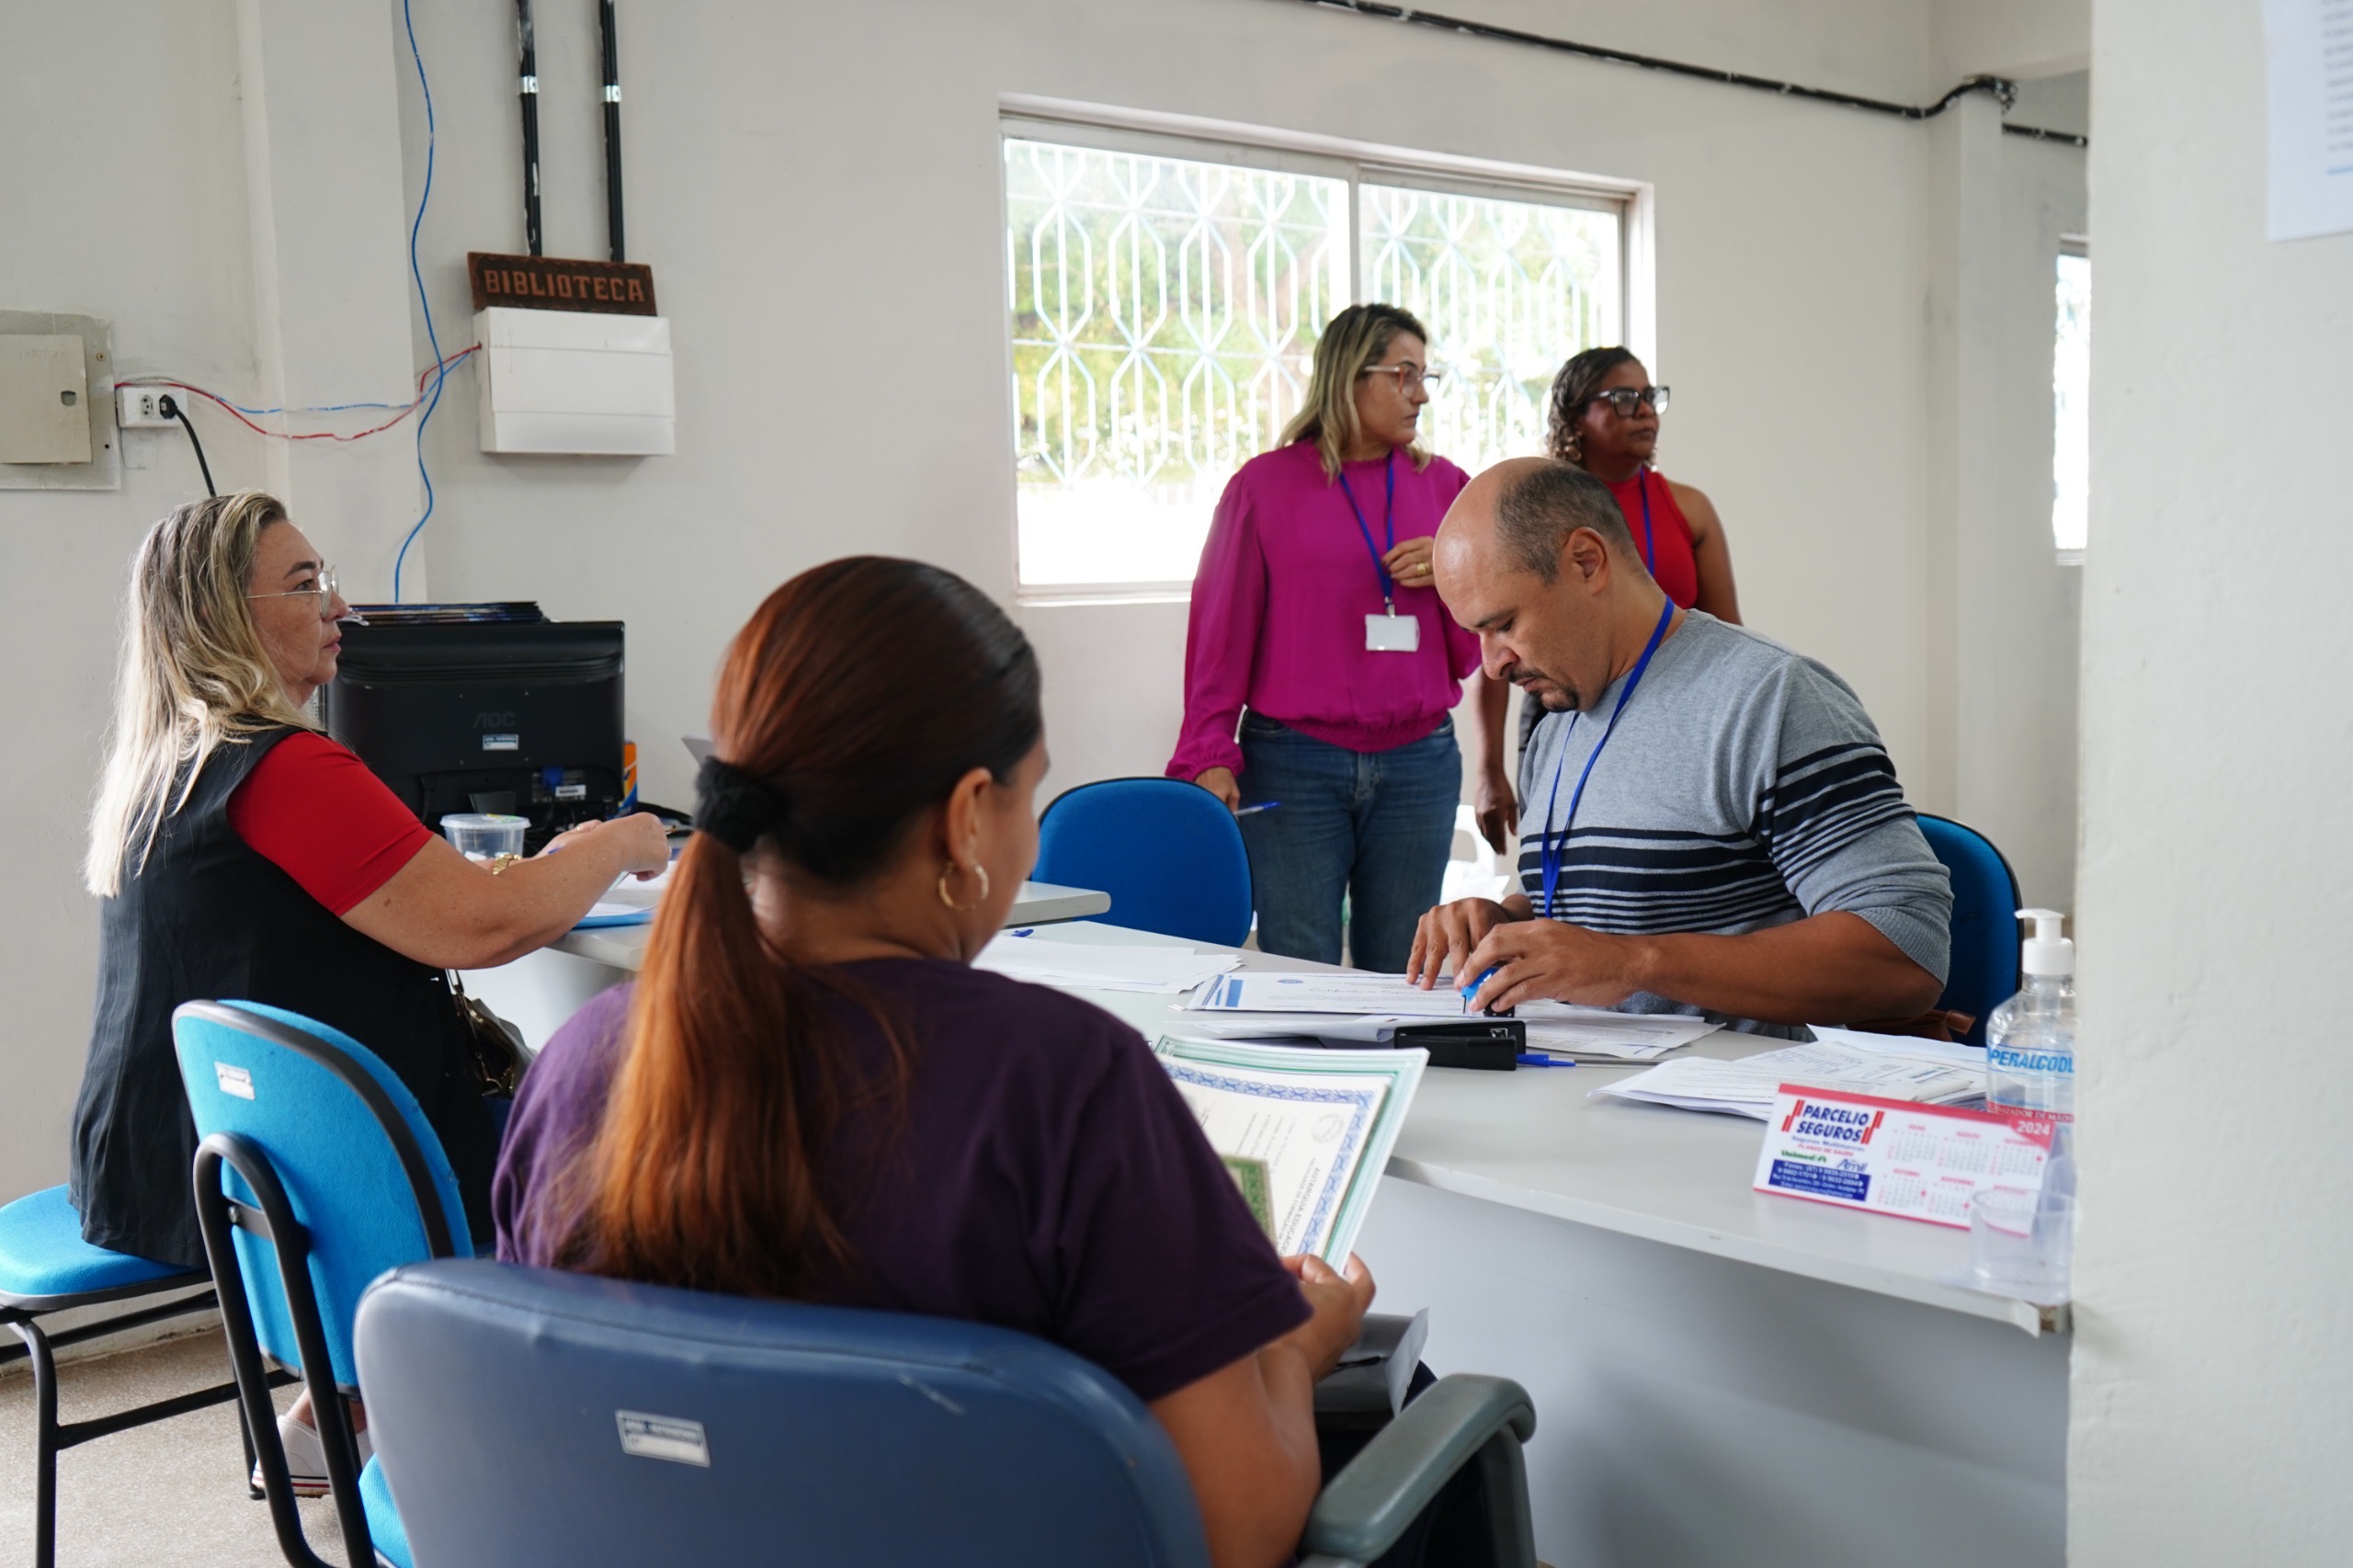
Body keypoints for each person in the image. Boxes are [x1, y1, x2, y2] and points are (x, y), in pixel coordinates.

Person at [497, 557, 1495, 1568]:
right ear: (968, 813)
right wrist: (1293, 1349)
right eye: (1033, 791)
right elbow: (1236, 1533)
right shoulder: (1061, 1084)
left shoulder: (580, 1063)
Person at [72, 491, 670, 1487]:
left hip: (181, 1145)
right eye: (306, 585)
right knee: (621, 1139)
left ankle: (336, 1410)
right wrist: (614, 841)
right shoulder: (288, 769)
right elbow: (486, 926)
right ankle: (561, 1454)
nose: (340, 608)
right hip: (315, 1172)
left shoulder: (167, 763)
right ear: (224, 611)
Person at [1411, 460, 1949, 1033]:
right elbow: (1581, 911)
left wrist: (1636, 964)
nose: (1492, 665)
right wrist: (1501, 921)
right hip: (1578, 1091)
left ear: (1586, 562)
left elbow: (1907, 950)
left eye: (1505, 625)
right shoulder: (1558, 725)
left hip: (1725, 1109)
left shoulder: (1768, 698)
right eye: (1477, 636)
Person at [1168, 303, 1492, 972]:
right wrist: (1209, 747)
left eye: (1427, 377)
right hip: (1294, 761)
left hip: (1419, 764)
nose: (1421, 394)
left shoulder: (1448, 488)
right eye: (1404, 375)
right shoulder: (1264, 486)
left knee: (1403, 970)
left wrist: (1454, 572)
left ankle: (1394, 1082)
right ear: (1350, 376)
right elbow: (1219, 631)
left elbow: (1485, 637)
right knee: (1299, 966)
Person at [1470, 347, 1743, 855]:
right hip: (1562, 710)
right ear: (1576, 416)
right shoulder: (1529, 517)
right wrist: (1489, 771)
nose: (1643, 409)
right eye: (1622, 398)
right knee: (1565, 864)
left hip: (1675, 711)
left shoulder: (1689, 508)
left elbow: (1728, 637)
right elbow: (1499, 640)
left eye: (1649, 396)